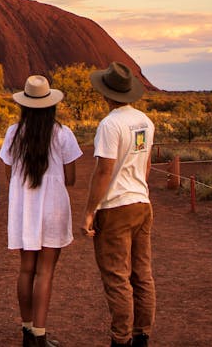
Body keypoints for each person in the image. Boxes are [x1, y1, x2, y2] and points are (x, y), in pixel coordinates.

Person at [0, 75, 82, 347]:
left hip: (25, 208)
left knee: (26, 270)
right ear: (50, 105)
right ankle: (40, 335)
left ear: (24, 105)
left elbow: (9, 173)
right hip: (53, 208)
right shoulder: (62, 133)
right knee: (45, 272)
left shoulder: (13, 132)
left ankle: (26, 331)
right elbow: (71, 178)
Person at [82, 61, 156, 347]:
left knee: (116, 277)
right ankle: (142, 336)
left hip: (115, 208)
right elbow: (146, 165)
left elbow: (104, 171)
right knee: (142, 274)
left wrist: (90, 212)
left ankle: (120, 339)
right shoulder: (145, 122)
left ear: (106, 94)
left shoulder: (110, 125)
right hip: (142, 202)